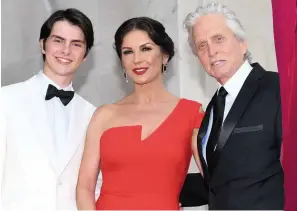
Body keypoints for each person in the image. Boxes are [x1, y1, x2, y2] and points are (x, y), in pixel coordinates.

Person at [76, 17, 205, 210]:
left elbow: (218, 180)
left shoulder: (191, 113)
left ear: (165, 55)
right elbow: (85, 188)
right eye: (128, 52)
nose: (137, 59)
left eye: (146, 48)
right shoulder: (104, 115)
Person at [179, 2, 284, 209]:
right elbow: (222, 181)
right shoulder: (214, 106)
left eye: (218, 39)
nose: (211, 51)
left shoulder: (277, 89)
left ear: (242, 43)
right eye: (201, 45)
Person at [0, 8, 102, 210]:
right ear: (43, 45)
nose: (66, 51)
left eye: (76, 44)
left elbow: (95, 185)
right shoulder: (6, 99)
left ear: (85, 55)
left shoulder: (93, 114)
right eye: (58, 40)